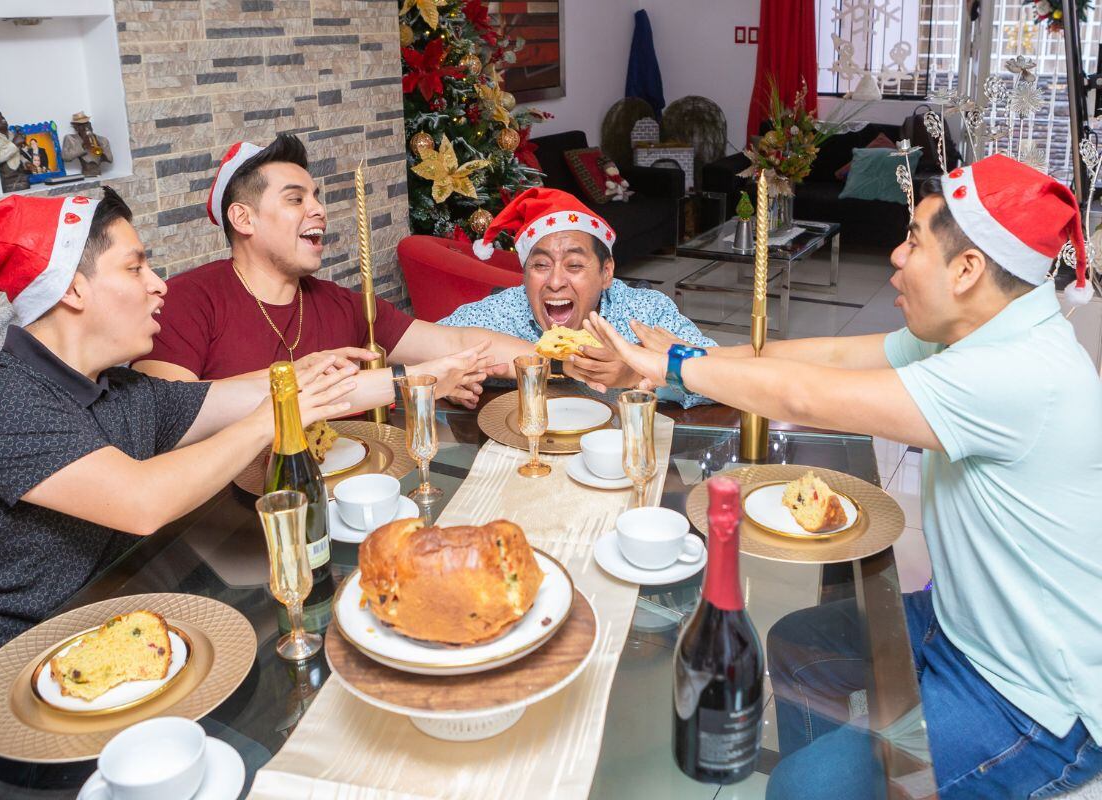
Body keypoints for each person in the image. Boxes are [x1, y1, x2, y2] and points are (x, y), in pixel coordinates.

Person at [587, 155, 1102, 798]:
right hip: (961, 628)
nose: (894, 254)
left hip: (1035, 701)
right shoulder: (976, 332)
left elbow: (805, 397)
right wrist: (685, 354)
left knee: (806, 785)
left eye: (913, 240)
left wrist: (670, 369)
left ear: (967, 270)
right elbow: (828, 355)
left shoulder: (1020, 374)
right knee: (802, 647)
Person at [0, 188, 358, 732]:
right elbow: (142, 501)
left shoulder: (123, 392)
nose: (159, 284)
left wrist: (413, 377)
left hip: (87, 667)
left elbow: (254, 390)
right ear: (73, 288)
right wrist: (271, 417)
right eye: (135, 266)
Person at [134, 135, 535, 409]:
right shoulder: (184, 301)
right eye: (295, 199)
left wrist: (566, 358)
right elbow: (168, 414)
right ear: (243, 218)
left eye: (316, 198)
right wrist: (414, 378)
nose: (319, 210)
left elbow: (459, 343)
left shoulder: (341, 303)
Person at [439, 187, 716, 407]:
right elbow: (424, 348)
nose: (556, 282)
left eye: (574, 265)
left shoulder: (645, 313)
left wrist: (637, 374)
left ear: (606, 272)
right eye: (541, 265)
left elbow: (721, 380)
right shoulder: (498, 314)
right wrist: (450, 381)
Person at [0, 101, 29, 193]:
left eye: (1, 115)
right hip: (6, 181)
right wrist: (14, 144)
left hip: (19, 176)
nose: (2, 118)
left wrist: (26, 162)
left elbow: (17, 154)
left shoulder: (11, 134)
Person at [61, 111, 113, 178]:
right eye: (81, 125)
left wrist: (101, 147)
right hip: (86, 174)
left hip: (100, 175)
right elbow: (66, 158)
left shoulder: (102, 140)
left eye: (87, 124)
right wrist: (83, 148)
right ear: (76, 128)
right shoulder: (70, 138)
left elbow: (110, 159)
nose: (86, 127)